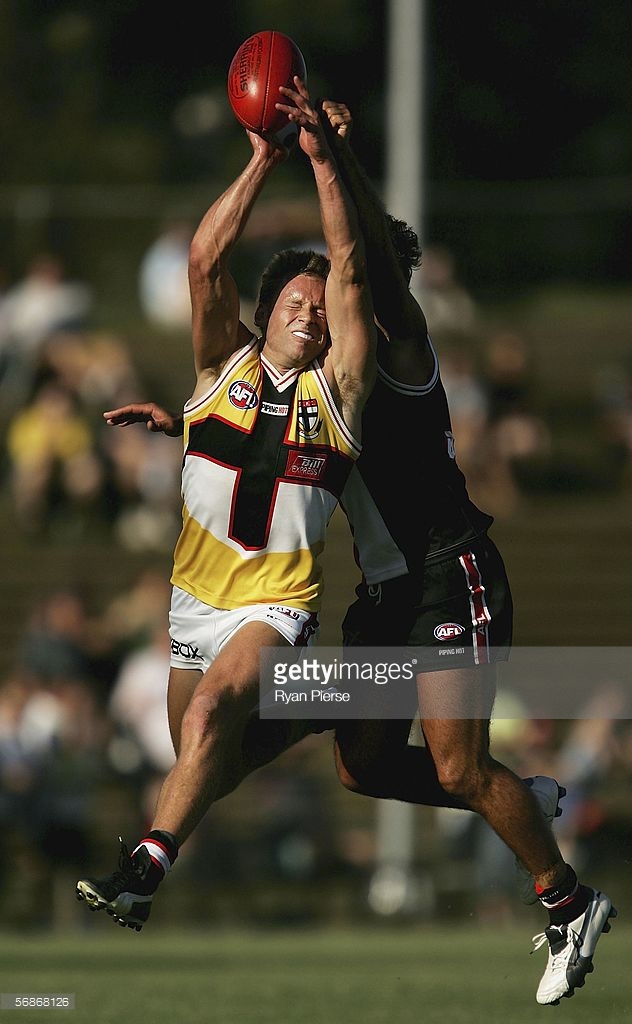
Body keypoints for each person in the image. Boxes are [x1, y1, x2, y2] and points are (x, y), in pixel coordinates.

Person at [99, 100, 616, 1006]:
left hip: (448, 572)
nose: (329, 304)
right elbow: (251, 422)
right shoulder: (309, 373)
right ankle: (511, 792)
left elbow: (351, 263)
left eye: (345, 291)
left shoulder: (396, 346)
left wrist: (328, 157)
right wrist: (187, 424)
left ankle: (566, 900)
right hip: (385, 592)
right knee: (365, 765)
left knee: (455, 764)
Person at [75, 75, 377, 932]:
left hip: (273, 605)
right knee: (206, 759)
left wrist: (323, 162)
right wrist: (262, 160)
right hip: (191, 603)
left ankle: (141, 872)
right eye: (297, 301)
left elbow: (351, 266)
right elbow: (203, 263)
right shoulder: (219, 371)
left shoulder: (342, 392)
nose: (312, 316)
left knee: (210, 716)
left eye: (322, 310)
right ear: (269, 304)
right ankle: (333, 699)